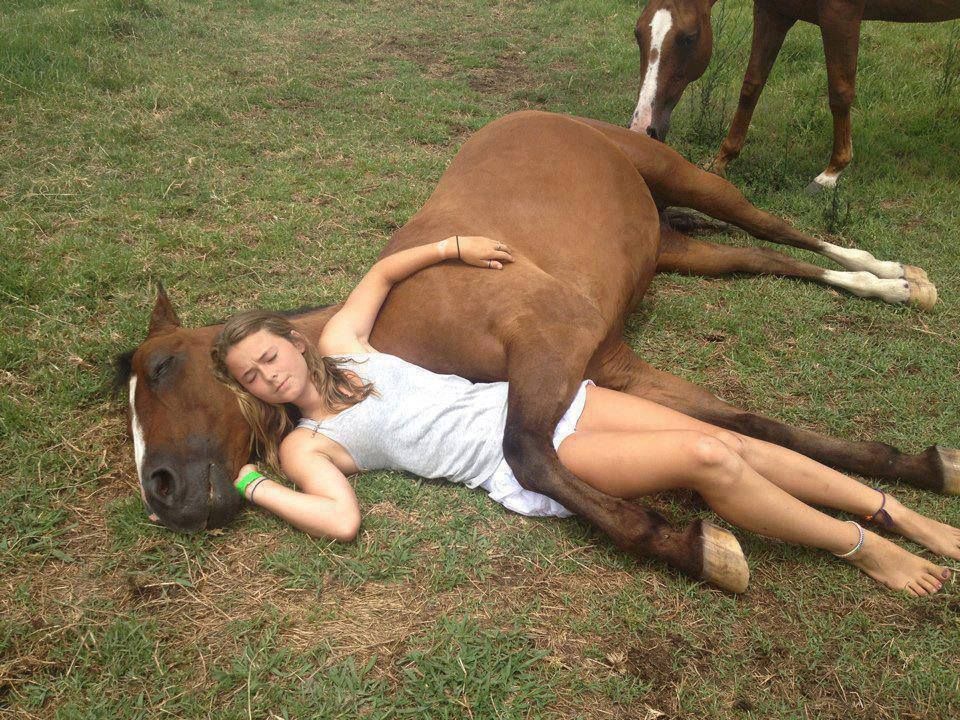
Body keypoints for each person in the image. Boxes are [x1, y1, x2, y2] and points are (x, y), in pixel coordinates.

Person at [211, 234, 959, 596]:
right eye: (252, 376)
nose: (269, 373)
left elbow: (379, 273)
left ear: (290, 337)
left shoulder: (343, 343)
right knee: (710, 461)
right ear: (252, 389)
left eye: (269, 354)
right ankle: (861, 546)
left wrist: (455, 246)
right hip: (525, 459)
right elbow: (340, 523)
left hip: (542, 402)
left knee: (723, 434)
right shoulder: (309, 446)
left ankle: (895, 508)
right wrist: (251, 484)